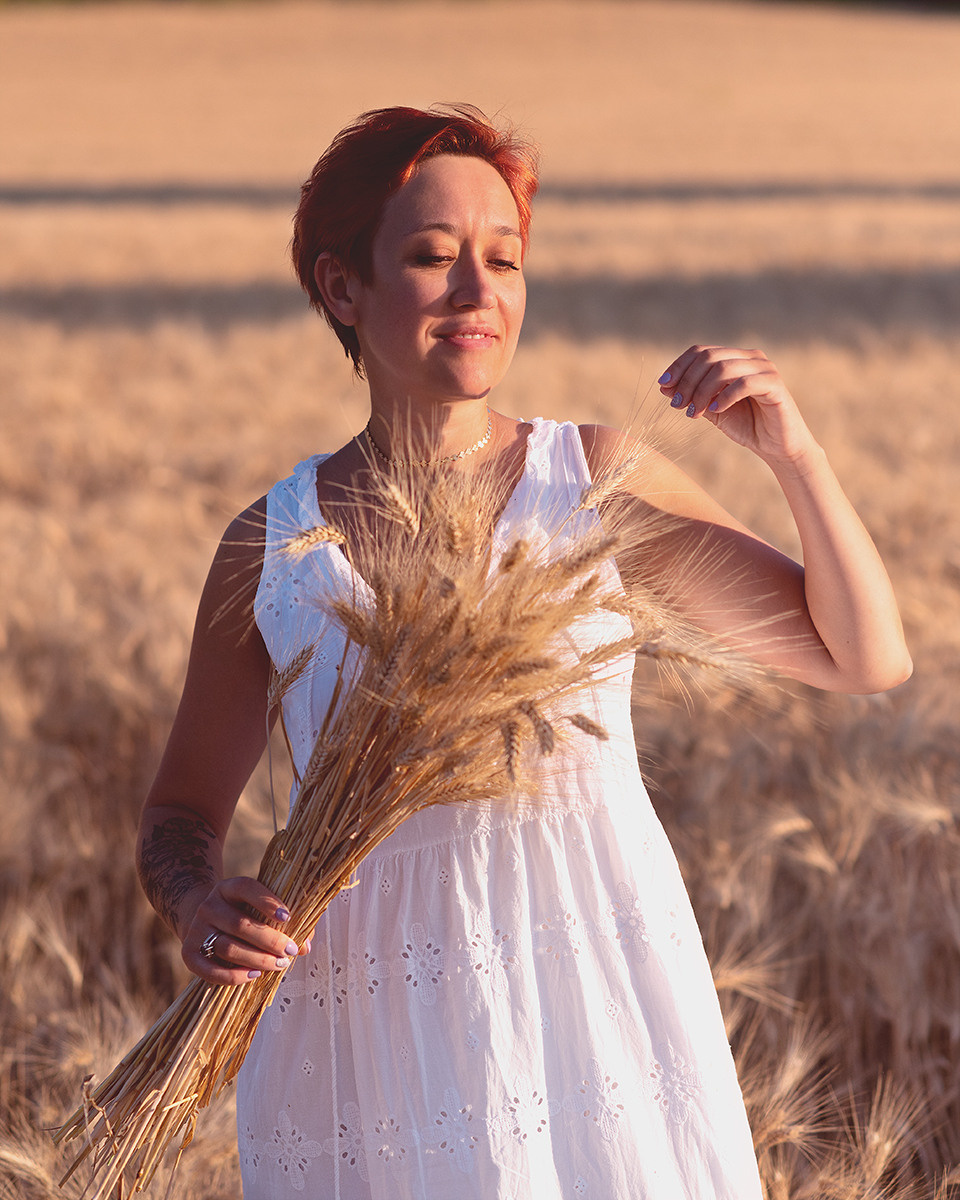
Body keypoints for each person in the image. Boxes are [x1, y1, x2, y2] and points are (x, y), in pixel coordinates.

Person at [136, 105, 911, 1199]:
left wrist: (794, 453)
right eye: (431, 256)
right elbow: (178, 819)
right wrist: (196, 902)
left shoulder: (590, 480)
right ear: (341, 287)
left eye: (504, 260)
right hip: (368, 1018)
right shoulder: (270, 544)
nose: (478, 291)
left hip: (586, 988)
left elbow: (863, 658)